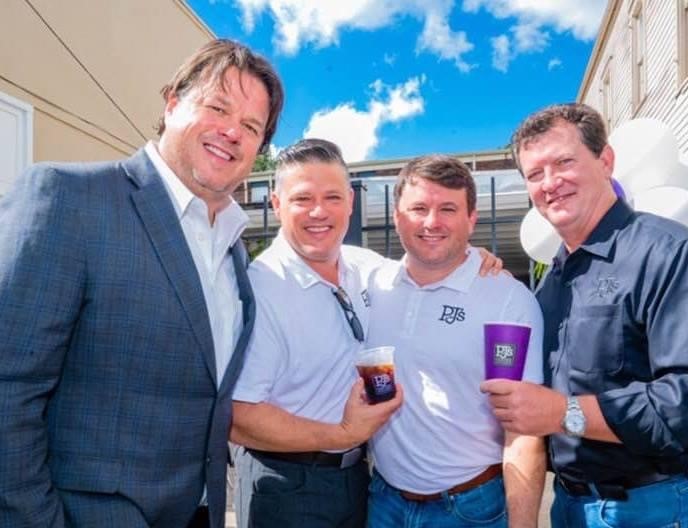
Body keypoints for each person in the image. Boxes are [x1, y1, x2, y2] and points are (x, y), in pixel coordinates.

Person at [0, 39, 283, 528]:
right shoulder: (68, 198)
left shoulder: (233, 246)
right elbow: (9, 389)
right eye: (218, 106)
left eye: (252, 126)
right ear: (172, 102)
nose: (232, 132)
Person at [230, 139, 503, 527]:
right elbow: (239, 417)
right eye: (302, 198)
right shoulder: (260, 290)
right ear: (276, 204)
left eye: (333, 197)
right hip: (286, 486)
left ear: (351, 203)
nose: (319, 212)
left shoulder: (365, 267)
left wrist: (473, 257)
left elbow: (427, 261)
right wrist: (340, 434)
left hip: (360, 481)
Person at [481, 103, 688, 527]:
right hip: (569, 506)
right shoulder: (551, 281)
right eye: (535, 174)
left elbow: (682, 401)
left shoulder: (668, 253)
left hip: (652, 506)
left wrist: (562, 413)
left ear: (605, 160)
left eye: (563, 162)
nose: (550, 183)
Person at [365, 155, 546, 528]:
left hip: (470, 509)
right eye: (419, 208)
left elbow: (522, 426)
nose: (432, 222)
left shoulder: (502, 300)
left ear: (471, 219)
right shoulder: (371, 283)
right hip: (383, 501)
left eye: (448, 208)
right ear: (397, 216)